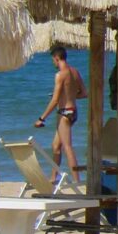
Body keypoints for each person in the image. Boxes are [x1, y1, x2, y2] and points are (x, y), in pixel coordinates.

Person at [34, 44, 86, 188]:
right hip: (73, 111)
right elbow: (83, 93)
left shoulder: (60, 75)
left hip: (64, 113)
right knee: (56, 146)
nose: (53, 63)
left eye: (53, 60)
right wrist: (68, 95)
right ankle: (53, 177)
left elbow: (55, 100)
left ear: (57, 58)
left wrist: (41, 118)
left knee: (67, 147)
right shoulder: (75, 72)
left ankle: (77, 180)